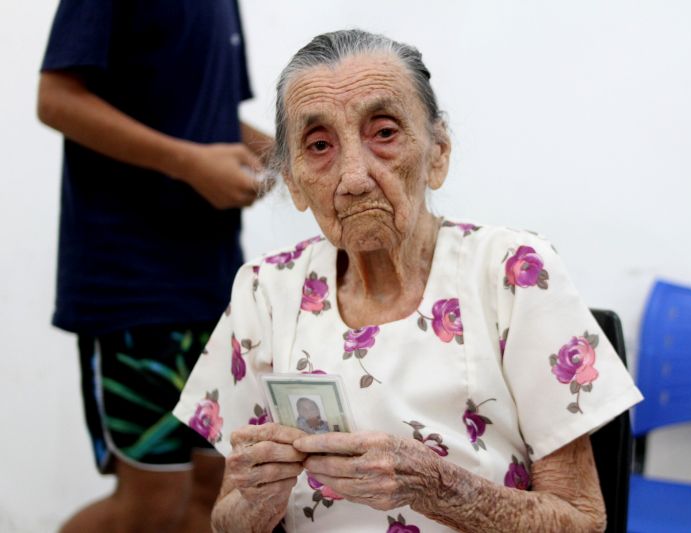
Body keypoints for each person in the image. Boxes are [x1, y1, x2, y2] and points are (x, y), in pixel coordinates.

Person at [173, 30, 643, 532]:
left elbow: (583, 520)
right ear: (293, 182)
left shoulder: (515, 272)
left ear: (438, 152)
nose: (354, 177)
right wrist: (258, 498)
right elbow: (226, 521)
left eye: (385, 133)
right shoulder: (265, 291)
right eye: (319, 145)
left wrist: (436, 487)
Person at [36, 1, 272, 531]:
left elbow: (208, 119)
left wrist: (292, 155)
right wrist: (189, 164)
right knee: (153, 504)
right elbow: (56, 99)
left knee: (215, 495)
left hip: (213, 288)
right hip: (129, 288)